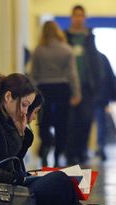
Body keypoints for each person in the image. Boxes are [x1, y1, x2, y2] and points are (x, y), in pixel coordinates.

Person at [0, 73, 102, 205]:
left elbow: (13, 159)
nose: (25, 111)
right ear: (8, 97)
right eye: (24, 105)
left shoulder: (4, 121)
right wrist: (18, 178)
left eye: (28, 106)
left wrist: (20, 134)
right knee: (59, 180)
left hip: (8, 186)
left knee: (61, 179)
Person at [30, 20, 82, 167]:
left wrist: (33, 93)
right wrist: (76, 93)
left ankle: (46, 144)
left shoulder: (38, 51)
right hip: (62, 89)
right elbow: (72, 74)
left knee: (44, 122)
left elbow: (33, 75)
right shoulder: (67, 50)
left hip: (43, 89)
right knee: (62, 124)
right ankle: (58, 155)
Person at [65, 5, 103, 164]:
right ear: (72, 17)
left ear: (84, 17)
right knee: (70, 121)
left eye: (81, 16)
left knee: (86, 120)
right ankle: (70, 152)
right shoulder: (65, 37)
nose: (78, 19)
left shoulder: (89, 38)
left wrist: (97, 85)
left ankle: (82, 151)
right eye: (76, 16)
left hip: (87, 88)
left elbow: (96, 62)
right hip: (69, 88)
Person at [94, 51, 116, 161]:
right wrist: (112, 95)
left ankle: (82, 149)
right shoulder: (102, 57)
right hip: (101, 96)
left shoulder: (84, 55)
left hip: (87, 96)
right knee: (101, 123)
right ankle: (101, 146)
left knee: (84, 123)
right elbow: (110, 77)